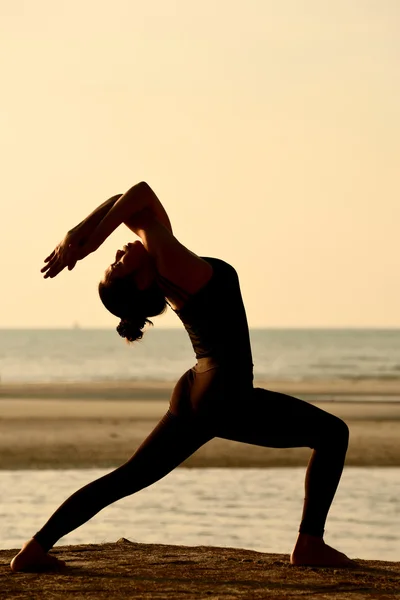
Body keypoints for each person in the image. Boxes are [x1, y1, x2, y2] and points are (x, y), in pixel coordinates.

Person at [11, 182, 353, 571]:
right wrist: (87, 242)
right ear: (140, 282)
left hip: (196, 389)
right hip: (225, 392)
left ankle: (35, 548)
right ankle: (309, 544)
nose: (119, 250)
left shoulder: (166, 262)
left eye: (115, 256)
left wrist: (79, 233)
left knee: (129, 476)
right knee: (332, 434)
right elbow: (138, 193)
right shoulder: (167, 259)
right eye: (119, 264)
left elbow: (128, 203)